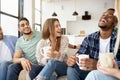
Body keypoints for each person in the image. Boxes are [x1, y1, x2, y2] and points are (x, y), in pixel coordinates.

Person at [66, 8, 120, 80]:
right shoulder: (90, 38)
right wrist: (73, 60)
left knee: (94, 74)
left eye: (109, 16)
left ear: (115, 23)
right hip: (91, 72)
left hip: (111, 74)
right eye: (103, 14)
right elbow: (79, 54)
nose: (104, 17)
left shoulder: (118, 39)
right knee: (72, 69)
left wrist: (98, 66)